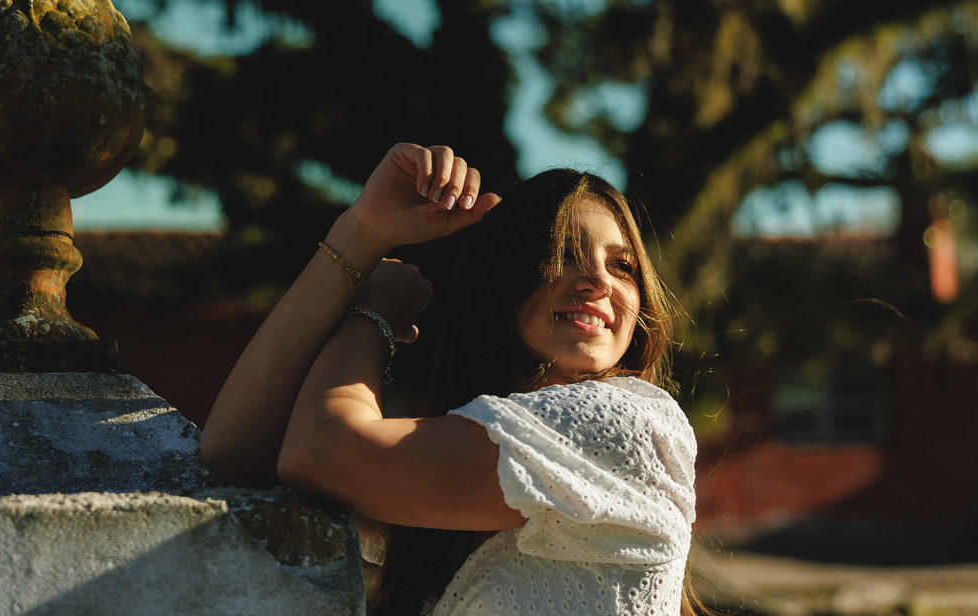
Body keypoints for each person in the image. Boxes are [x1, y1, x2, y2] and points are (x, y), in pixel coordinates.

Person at [200, 143, 697, 616]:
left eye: (623, 266)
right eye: (565, 252)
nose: (598, 280)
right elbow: (233, 452)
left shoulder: (632, 427)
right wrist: (362, 231)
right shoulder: (468, 462)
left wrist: (376, 311)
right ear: (503, 280)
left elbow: (321, 452)